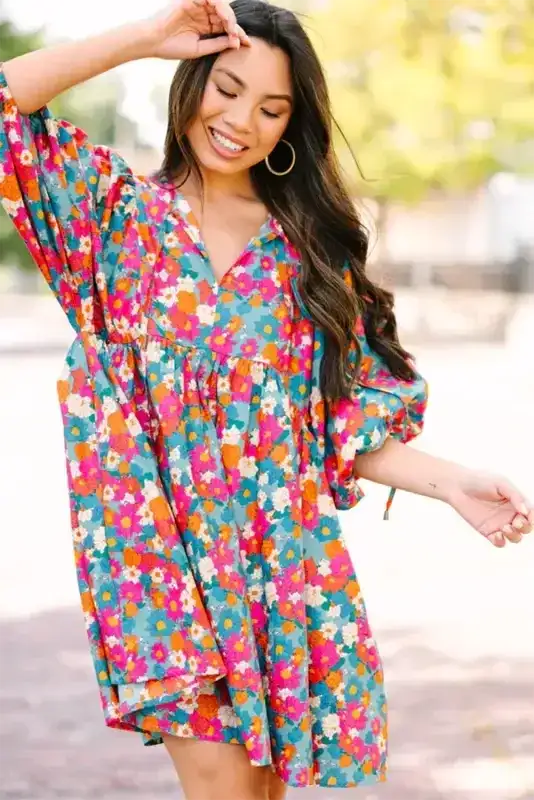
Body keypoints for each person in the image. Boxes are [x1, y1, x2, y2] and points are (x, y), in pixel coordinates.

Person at [0, 0, 531, 797]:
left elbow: (337, 426)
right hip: (156, 564)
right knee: (224, 789)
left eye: (271, 108)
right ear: (189, 83)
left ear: (292, 126)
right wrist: (145, 37)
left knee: (254, 792)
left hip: (278, 563)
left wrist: (452, 481)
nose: (241, 119)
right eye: (226, 88)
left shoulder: (305, 252)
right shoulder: (110, 215)